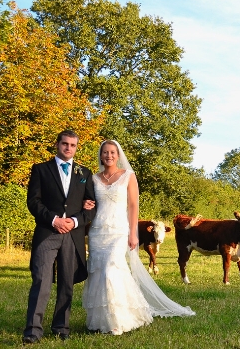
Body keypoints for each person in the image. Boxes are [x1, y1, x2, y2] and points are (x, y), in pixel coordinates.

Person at [82, 140, 194, 335]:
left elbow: (133, 206)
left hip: (119, 230)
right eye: (105, 152)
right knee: (98, 273)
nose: (109, 155)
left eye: (112, 152)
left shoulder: (128, 176)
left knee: (111, 269)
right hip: (98, 231)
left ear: (118, 155)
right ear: (100, 155)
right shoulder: (93, 179)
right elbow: (88, 202)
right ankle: (101, 321)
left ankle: (119, 320)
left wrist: (133, 233)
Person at [23, 130, 97, 344]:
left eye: (73, 145)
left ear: (76, 147)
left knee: (67, 282)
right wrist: (54, 220)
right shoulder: (40, 170)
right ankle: (33, 331)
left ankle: (61, 327)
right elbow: (33, 202)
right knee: (41, 281)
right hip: (48, 232)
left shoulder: (84, 173)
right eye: (65, 144)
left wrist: (74, 222)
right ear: (57, 144)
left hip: (73, 235)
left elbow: (91, 207)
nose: (68, 148)